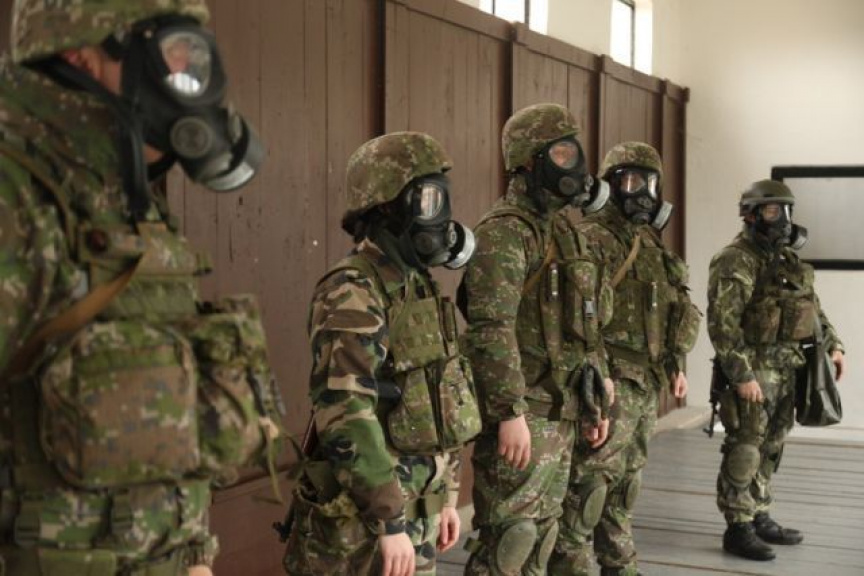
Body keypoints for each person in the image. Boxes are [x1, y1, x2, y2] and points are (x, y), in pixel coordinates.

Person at [0, 1, 283, 574]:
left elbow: (160, 438)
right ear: (80, 55)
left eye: (194, 61)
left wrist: (193, 554)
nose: (188, 81)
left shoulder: (119, 199)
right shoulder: (17, 197)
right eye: (171, 57)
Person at [282, 132, 480, 576]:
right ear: (387, 206)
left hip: (416, 516)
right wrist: (389, 520)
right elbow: (346, 410)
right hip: (364, 529)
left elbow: (441, 394)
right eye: (426, 201)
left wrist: (446, 496)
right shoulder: (353, 289)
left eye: (441, 200)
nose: (440, 217)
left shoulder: (418, 284)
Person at [460, 102, 614, 576]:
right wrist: (509, 412)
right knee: (510, 542)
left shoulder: (567, 230)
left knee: (545, 536)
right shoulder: (505, 232)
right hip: (526, 414)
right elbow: (490, 328)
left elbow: (587, 320)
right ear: (529, 162)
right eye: (562, 154)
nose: (575, 165)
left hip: (565, 411)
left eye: (575, 152)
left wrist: (597, 395)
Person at [550, 142, 701, 576]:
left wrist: (674, 365)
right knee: (589, 482)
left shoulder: (648, 242)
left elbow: (669, 309)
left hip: (646, 382)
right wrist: (596, 379)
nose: (640, 192)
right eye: (629, 181)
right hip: (610, 379)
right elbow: (580, 316)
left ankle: (619, 563)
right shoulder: (592, 237)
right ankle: (570, 564)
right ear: (609, 184)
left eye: (648, 183)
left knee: (626, 481)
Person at [707, 179, 845, 561]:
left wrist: (834, 345)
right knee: (746, 446)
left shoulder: (787, 260)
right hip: (754, 372)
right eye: (772, 211)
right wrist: (742, 375)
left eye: (786, 211)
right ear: (750, 215)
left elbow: (812, 309)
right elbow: (723, 325)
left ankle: (759, 512)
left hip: (788, 369)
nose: (781, 219)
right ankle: (738, 526)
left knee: (772, 446)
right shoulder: (734, 259)